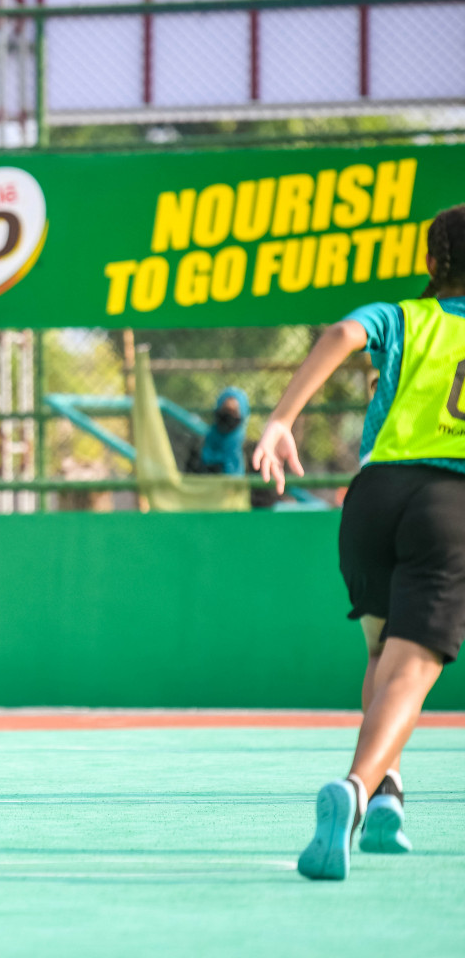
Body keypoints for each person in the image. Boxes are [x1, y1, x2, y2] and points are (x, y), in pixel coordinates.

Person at [253, 203, 465, 881]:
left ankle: (387, 793)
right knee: (413, 665)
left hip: (373, 497)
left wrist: (283, 418)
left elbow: (344, 331)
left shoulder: (406, 316)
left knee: (379, 648)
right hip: (451, 500)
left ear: (434, 264)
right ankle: (354, 789)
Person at [188, 388, 249, 475]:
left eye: (233, 412)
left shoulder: (247, 450)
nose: (228, 416)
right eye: (225, 410)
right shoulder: (201, 444)